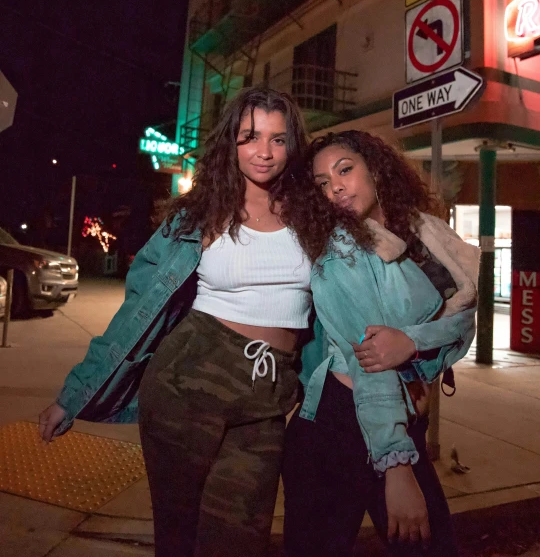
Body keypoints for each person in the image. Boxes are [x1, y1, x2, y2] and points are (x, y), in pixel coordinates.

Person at [38, 87, 360, 557]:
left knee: (240, 539)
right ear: (231, 143)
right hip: (186, 379)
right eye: (250, 137)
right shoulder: (198, 216)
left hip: (267, 393)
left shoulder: (315, 217)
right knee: (178, 537)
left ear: (293, 146)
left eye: (278, 138)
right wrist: (75, 394)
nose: (264, 152)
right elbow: (137, 312)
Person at [283, 130, 480, 557]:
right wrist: (396, 465)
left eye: (345, 170)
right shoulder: (341, 251)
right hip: (343, 423)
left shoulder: (425, 233)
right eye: (322, 182)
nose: (334, 186)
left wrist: (411, 341)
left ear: (374, 167)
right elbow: (370, 359)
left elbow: (465, 320)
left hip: (403, 414)